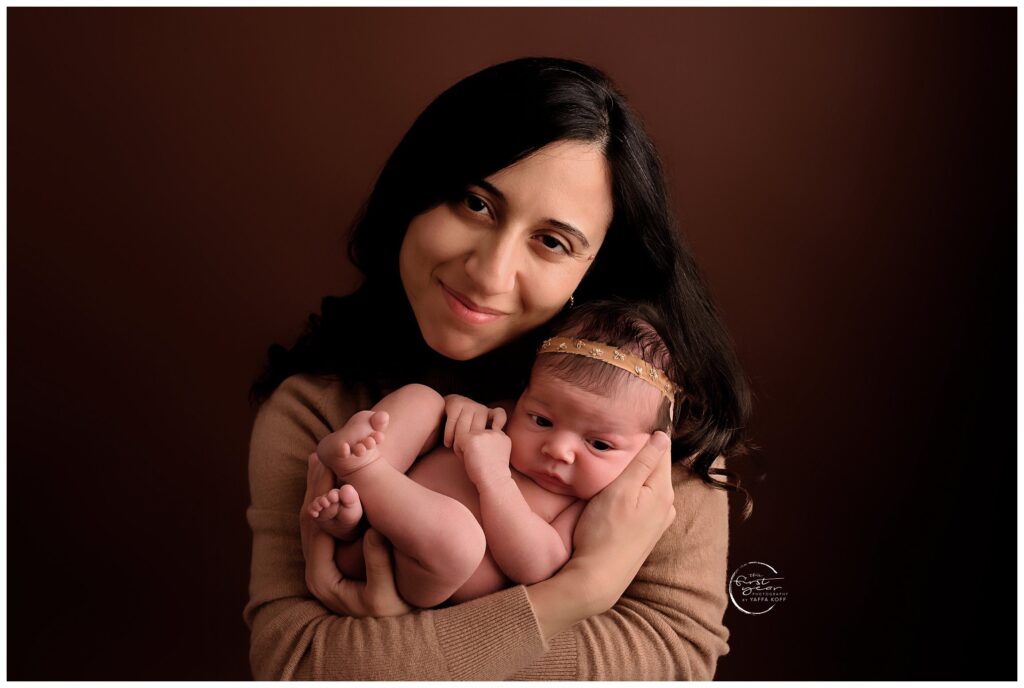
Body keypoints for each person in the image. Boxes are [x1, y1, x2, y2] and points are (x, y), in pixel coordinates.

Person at [245, 56, 753, 680]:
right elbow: (298, 666)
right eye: (476, 203)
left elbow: (673, 661)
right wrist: (565, 608)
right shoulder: (318, 407)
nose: (489, 274)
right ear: (416, 191)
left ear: (591, 270)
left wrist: (573, 592)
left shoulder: (642, 418)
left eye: (552, 241)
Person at [307, 300, 682, 609]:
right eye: (541, 419)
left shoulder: (588, 505)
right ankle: (352, 506)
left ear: (648, 450)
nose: (558, 449)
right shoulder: (505, 419)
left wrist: (495, 479)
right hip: (375, 517)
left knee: (460, 540)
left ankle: (363, 470)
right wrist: (459, 409)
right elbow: (456, 424)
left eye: (599, 444)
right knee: (424, 400)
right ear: (524, 395)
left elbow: (537, 565)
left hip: (417, 570)